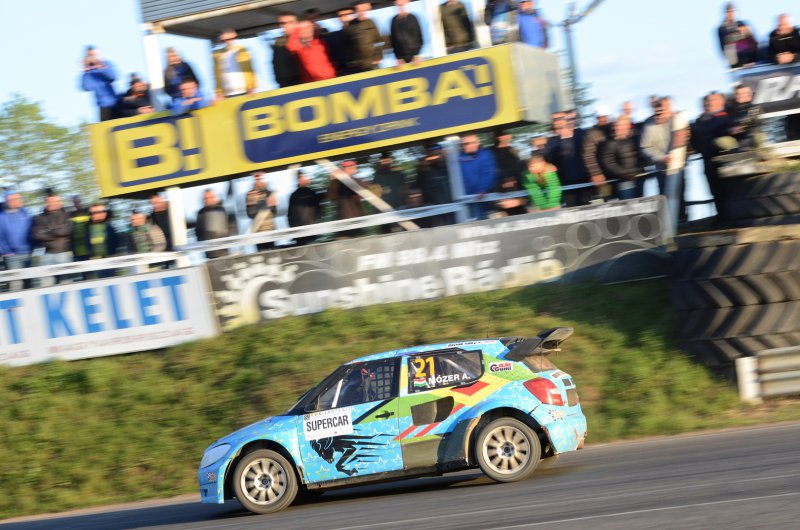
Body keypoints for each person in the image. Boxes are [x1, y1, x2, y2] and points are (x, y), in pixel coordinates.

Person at [691, 92, 731, 220]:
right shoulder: (698, 121)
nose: (709, 103)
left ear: (721, 101)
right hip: (708, 159)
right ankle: (721, 216)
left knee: (727, 189)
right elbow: (694, 140)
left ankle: (730, 215)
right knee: (714, 189)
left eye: (713, 100)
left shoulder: (728, 117)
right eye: (708, 100)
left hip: (725, 159)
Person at [545, 112, 587, 207]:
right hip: (566, 182)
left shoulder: (580, 133)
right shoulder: (551, 141)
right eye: (555, 120)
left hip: (584, 179)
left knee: (587, 207)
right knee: (571, 208)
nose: (557, 121)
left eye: (560, 118)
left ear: (566, 119)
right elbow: (549, 160)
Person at [31, 194, 73, 287]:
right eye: (50, 202)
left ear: (60, 202)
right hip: (47, 254)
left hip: (63, 253)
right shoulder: (39, 217)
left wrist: (48, 231)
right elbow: (37, 234)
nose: (52, 204)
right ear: (46, 203)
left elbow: (66, 231)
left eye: (55, 201)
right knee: (46, 283)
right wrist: (56, 233)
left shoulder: (66, 215)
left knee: (66, 281)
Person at [600, 116, 644, 200]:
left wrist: (641, 168)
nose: (616, 128)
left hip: (639, 177)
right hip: (624, 180)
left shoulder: (634, 138)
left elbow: (641, 154)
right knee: (629, 203)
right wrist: (624, 173)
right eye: (615, 126)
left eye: (619, 125)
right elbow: (608, 162)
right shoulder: (610, 142)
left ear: (627, 126)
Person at [459, 134, 499, 220]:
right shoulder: (458, 157)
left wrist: (482, 189)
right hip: (467, 200)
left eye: (473, 142)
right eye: (466, 144)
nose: (470, 145)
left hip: (484, 197)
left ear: (478, 143)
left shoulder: (485, 154)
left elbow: (489, 173)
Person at [0, 191, 33, 291]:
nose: (15, 201)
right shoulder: (2, 217)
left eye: (17, 199)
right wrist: (6, 251)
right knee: (15, 284)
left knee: (29, 283)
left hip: (27, 253)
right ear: (7, 201)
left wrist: (32, 248)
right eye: (11, 200)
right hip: (11, 255)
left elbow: (33, 231)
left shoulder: (26, 213)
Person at [415, 144, 454, 226]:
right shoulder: (426, 171)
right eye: (434, 154)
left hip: (454, 208)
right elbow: (421, 189)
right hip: (437, 211)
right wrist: (422, 169)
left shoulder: (453, 166)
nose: (436, 156)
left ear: (443, 152)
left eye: (438, 153)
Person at [582, 106, 615, 201]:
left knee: (625, 199)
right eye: (600, 117)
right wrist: (596, 173)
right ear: (596, 118)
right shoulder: (592, 133)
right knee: (608, 200)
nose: (603, 119)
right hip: (602, 175)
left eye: (605, 116)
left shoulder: (614, 128)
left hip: (617, 171)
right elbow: (588, 155)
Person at [213, 28, 256, 99]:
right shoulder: (216, 54)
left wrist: (252, 87)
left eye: (230, 39)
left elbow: (249, 69)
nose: (227, 42)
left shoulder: (242, 50)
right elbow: (216, 74)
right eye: (224, 40)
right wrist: (218, 92)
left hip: (244, 90)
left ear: (234, 37)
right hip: (226, 93)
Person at [327, 160, 366, 236]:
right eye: (350, 167)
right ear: (344, 169)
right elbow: (331, 197)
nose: (353, 169)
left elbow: (365, 194)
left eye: (354, 167)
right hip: (343, 224)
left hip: (358, 222)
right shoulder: (337, 182)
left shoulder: (357, 181)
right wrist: (334, 180)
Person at [80, 46, 117, 121]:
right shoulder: (89, 71)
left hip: (115, 101)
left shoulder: (106, 64)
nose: (92, 58)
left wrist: (100, 66)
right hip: (102, 105)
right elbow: (86, 87)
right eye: (90, 56)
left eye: (93, 55)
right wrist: (86, 70)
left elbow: (113, 77)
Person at [720, 84, 762, 151]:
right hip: (734, 139)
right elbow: (723, 125)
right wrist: (729, 130)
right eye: (738, 94)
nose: (740, 96)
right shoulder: (728, 110)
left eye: (743, 94)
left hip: (750, 136)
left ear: (750, 95)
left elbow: (757, 124)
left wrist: (742, 128)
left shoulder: (755, 108)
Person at [345, 2, 385, 72]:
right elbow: (349, 44)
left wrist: (377, 57)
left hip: (373, 62)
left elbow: (378, 41)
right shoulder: (351, 24)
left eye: (364, 11)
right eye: (359, 11)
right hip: (359, 64)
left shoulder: (371, 22)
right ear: (356, 11)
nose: (362, 13)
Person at [718, 2, 757, 68]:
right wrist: (741, 32)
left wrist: (745, 32)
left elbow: (751, 34)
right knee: (730, 44)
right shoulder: (722, 28)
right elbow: (728, 39)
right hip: (735, 60)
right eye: (728, 12)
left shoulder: (742, 23)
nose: (731, 13)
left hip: (749, 56)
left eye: (732, 11)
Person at [195, 189, 233, 259]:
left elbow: (222, 232)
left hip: (222, 252)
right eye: (205, 198)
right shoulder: (200, 213)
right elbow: (198, 232)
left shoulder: (220, 210)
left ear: (214, 198)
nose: (207, 200)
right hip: (209, 253)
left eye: (209, 198)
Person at [288, 171, 321, 246]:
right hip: (304, 234)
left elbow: (318, 212)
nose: (308, 179)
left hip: (309, 233)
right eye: (305, 177)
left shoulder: (312, 193)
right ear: (299, 180)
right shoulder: (295, 195)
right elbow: (290, 215)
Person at [85, 202, 118, 277]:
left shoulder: (110, 227)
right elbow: (87, 243)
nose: (95, 215)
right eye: (93, 213)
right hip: (97, 262)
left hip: (110, 260)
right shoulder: (88, 228)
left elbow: (115, 242)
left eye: (100, 212)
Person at [245, 172, 276, 251]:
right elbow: (250, 214)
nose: (259, 182)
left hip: (270, 230)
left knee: (272, 253)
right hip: (258, 232)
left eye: (260, 179)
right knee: (261, 253)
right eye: (257, 180)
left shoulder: (270, 193)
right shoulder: (250, 195)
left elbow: (274, 212)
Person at [272, 13, 302, 88]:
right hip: (289, 84)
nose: (285, 26)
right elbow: (280, 66)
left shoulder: (307, 36)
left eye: (290, 22)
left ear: (296, 23)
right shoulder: (280, 41)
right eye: (282, 23)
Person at [390, 0, 423, 65]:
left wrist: (416, 54)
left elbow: (419, 37)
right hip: (402, 59)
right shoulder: (394, 20)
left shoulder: (412, 18)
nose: (401, 4)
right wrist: (398, 57)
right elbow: (393, 40)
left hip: (415, 57)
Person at [326, 8, 355, 76]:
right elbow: (331, 55)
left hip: (366, 67)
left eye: (349, 14)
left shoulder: (364, 29)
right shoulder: (333, 36)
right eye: (342, 15)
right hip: (344, 71)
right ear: (338, 18)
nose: (346, 17)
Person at [69, 196, 91, 261]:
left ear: (81, 202)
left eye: (78, 202)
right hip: (76, 249)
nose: (77, 204)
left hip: (88, 248)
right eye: (75, 202)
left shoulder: (88, 212)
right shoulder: (70, 215)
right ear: (73, 204)